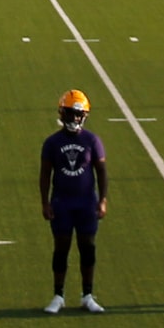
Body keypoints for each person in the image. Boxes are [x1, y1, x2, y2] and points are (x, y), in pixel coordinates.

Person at [39, 88, 108, 313]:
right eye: (71, 113)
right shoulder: (52, 142)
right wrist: (45, 203)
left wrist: (103, 200)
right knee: (62, 248)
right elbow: (45, 174)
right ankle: (58, 295)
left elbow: (101, 171)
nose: (75, 118)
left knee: (87, 247)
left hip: (86, 202)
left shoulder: (92, 140)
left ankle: (87, 294)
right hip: (62, 203)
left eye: (79, 115)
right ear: (62, 113)